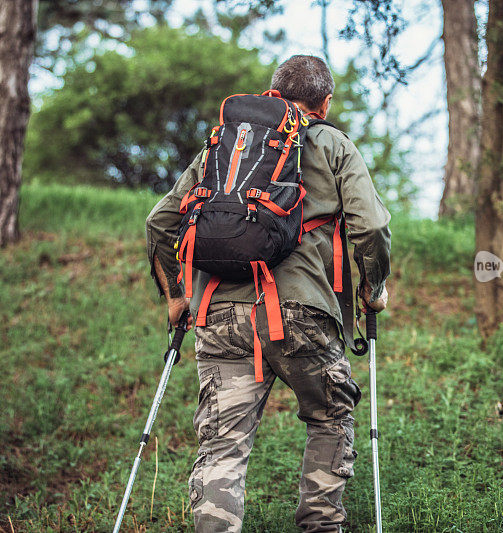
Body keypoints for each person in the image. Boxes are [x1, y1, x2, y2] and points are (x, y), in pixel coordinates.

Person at [145, 54, 390, 533]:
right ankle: (321, 526)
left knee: (221, 445)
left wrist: (177, 298)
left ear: (273, 93)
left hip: (218, 312)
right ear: (325, 101)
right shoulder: (332, 144)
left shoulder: (224, 147)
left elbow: (160, 223)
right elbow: (373, 226)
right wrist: (373, 289)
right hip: (303, 313)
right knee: (330, 415)